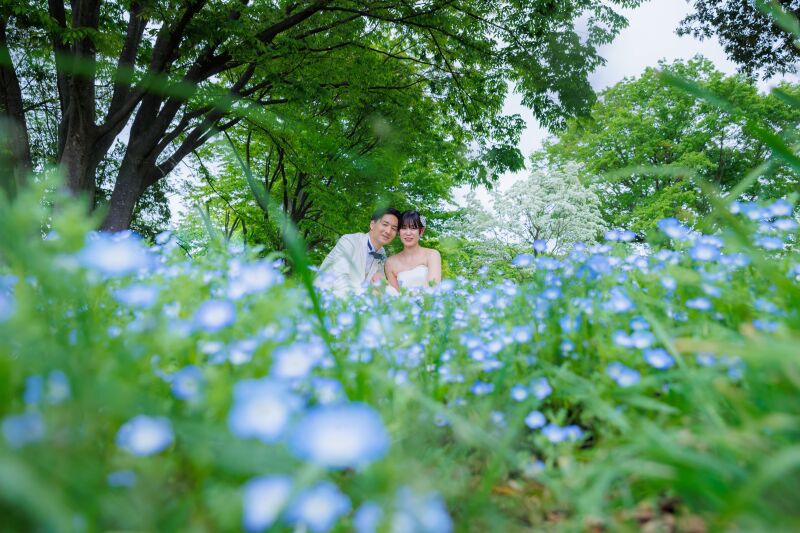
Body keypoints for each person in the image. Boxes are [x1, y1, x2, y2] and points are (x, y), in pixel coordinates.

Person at [316, 207, 401, 295]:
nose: (388, 231)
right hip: (325, 294)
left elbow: (379, 282)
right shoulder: (349, 241)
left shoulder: (381, 253)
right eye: (385, 224)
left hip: (355, 301)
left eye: (394, 228)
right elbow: (338, 278)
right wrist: (369, 292)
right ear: (372, 224)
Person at [385, 210, 441, 294]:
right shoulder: (390, 262)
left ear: (421, 231)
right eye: (403, 228)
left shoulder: (432, 255)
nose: (408, 233)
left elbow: (434, 288)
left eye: (413, 228)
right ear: (398, 232)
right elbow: (394, 296)